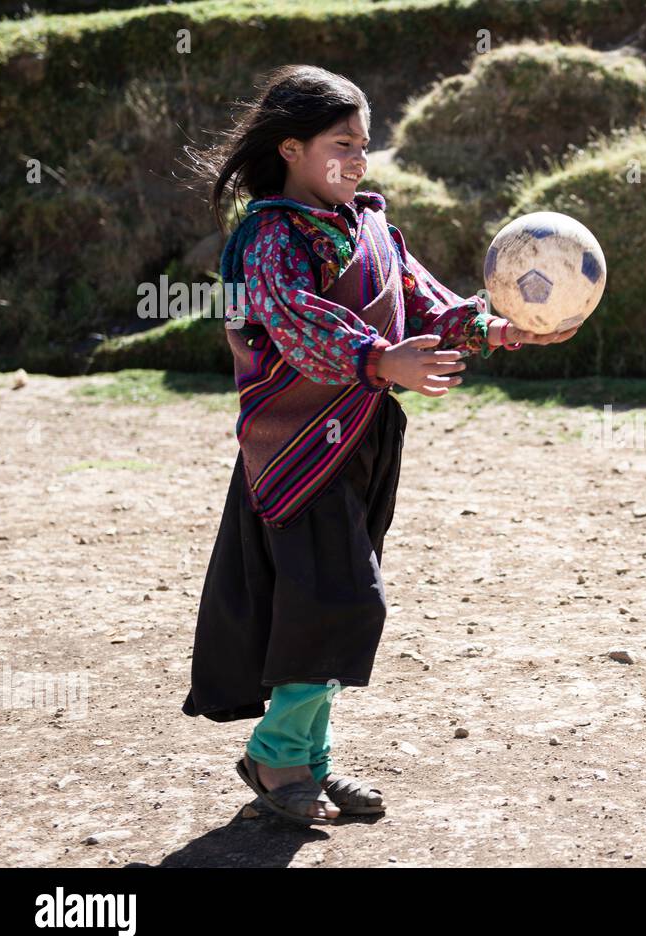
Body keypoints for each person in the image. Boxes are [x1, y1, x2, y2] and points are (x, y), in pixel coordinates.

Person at [179, 64, 577, 825]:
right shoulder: (267, 236)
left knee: (329, 604)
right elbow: (295, 321)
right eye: (341, 144)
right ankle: (276, 757)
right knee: (341, 601)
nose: (359, 159)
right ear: (291, 148)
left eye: (364, 143)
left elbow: (425, 300)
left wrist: (497, 326)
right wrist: (378, 358)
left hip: (364, 439)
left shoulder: (368, 224)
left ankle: (308, 764)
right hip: (297, 450)